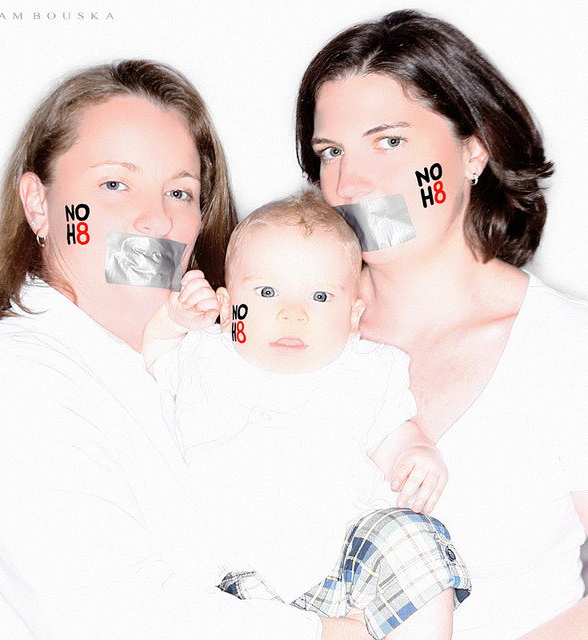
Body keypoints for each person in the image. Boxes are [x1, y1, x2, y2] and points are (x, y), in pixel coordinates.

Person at [0, 60, 361, 640]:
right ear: (40, 205)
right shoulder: (5, 382)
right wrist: (342, 634)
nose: (156, 219)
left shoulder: (203, 372)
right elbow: (112, 615)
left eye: (179, 192)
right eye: (114, 184)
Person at [295, 9, 588, 640]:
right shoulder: (284, 329)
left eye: (389, 142)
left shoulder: (568, 349)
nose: (352, 183)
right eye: (331, 152)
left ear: (473, 150)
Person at [143, 191, 471, 640]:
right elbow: (153, 360)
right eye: (266, 292)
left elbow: (391, 433)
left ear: (353, 317)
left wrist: (415, 450)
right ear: (227, 306)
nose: (292, 314)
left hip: (345, 563)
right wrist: (172, 320)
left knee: (411, 535)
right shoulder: (203, 354)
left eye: (320, 296)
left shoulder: (365, 370)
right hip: (237, 574)